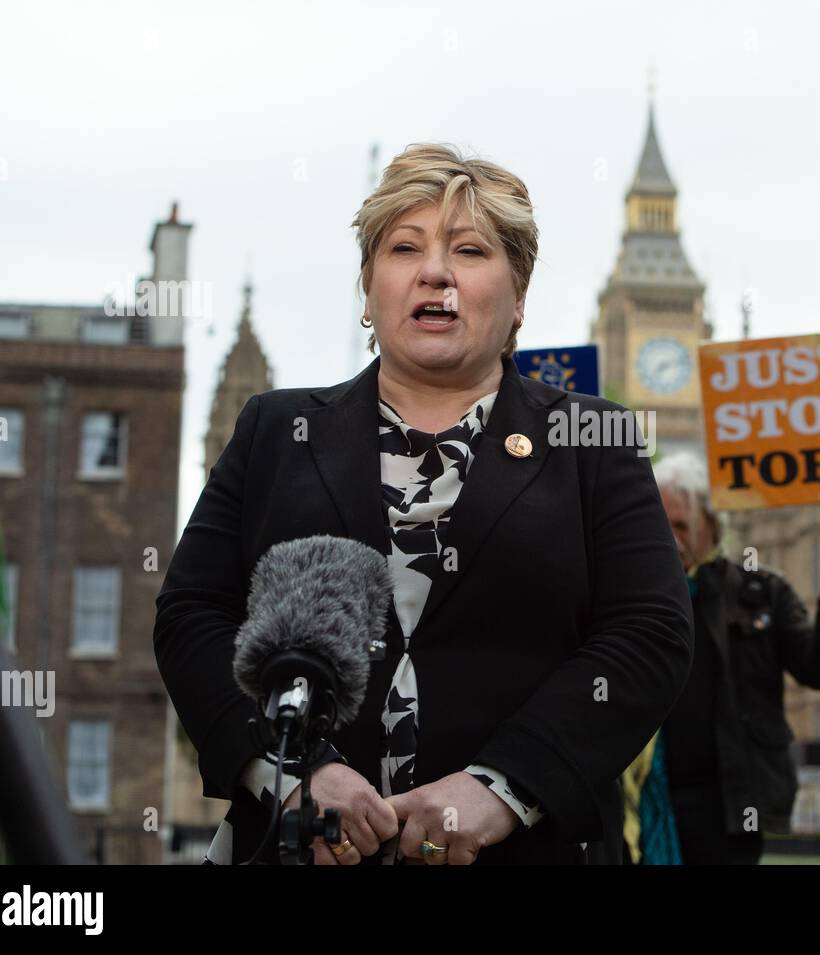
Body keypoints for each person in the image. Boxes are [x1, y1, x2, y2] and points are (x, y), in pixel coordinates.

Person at [154, 143, 693, 865]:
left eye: (470, 251)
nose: (434, 271)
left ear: (519, 295)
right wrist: (292, 774)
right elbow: (193, 616)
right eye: (405, 247)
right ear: (371, 288)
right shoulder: (275, 431)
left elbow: (649, 635)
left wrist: (501, 787)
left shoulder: (593, 438)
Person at [623, 452, 820, 865]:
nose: (669, 538)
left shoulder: (761, 591)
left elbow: (817, 670)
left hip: (730, 804)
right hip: (641, 794)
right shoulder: (628, 594)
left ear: (713, 529)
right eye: (660, 525)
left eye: (681, 526)